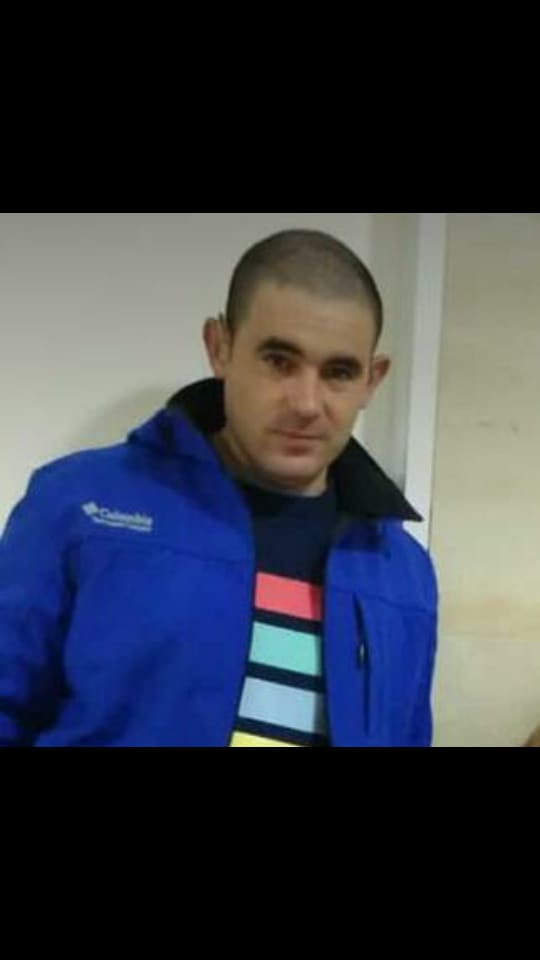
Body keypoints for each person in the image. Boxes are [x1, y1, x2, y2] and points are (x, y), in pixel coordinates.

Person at [0, 228, 438, 747]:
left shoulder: (402, 573)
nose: (305, 402)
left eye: (338, 372)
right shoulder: (78, 506)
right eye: (279, 361)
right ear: (220, 347)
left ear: (372, 380)